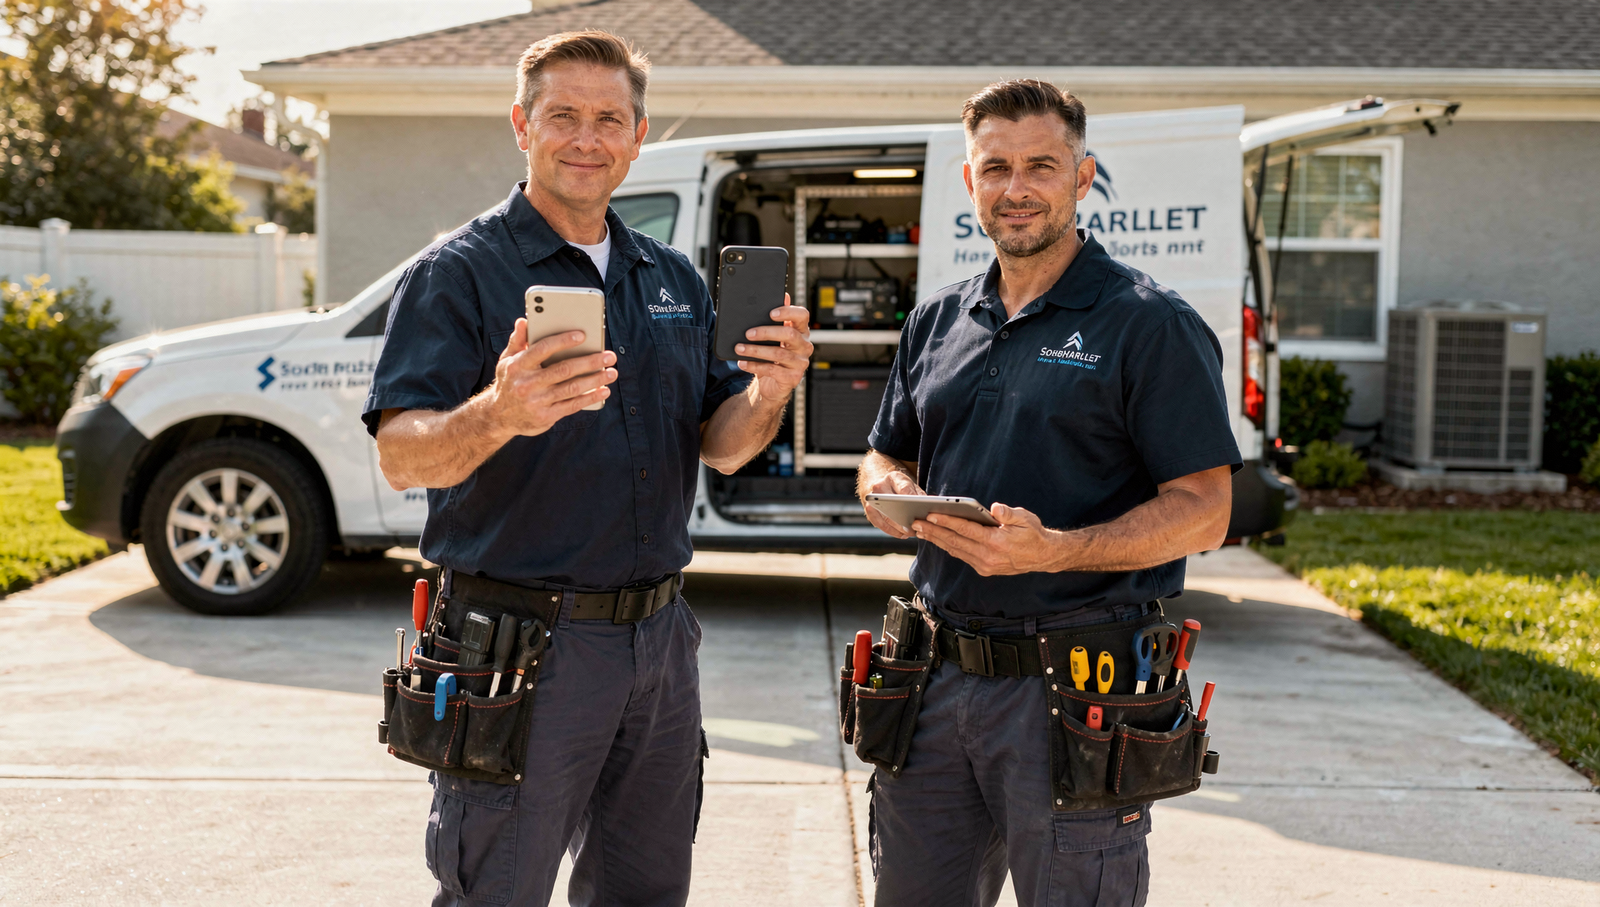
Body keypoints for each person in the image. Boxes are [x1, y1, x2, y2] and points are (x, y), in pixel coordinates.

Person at [362, 31, 812, 907]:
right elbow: (399, 452)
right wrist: (499, 413)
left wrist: (770, 391)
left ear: (639, 135)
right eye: (562, 115)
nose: (586, 137)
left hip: (659, 646)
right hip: (517, 648)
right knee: (495, 889)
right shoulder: (459, 274)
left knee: (646, 891)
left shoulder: (671, 275)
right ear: (521, 125)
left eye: (609, 118)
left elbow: (721, 441)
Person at [856, 79, 1240, 907]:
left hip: (1075, 689)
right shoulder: (937, 321)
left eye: (1041, 165)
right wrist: (890, 492)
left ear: (1083, 176)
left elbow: (1207, 508)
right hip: (933, 677)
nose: (1016, 187)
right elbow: (883, 453)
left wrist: (1057, 549)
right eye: (995, 167)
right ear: (970, 183)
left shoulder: (1148, 324)